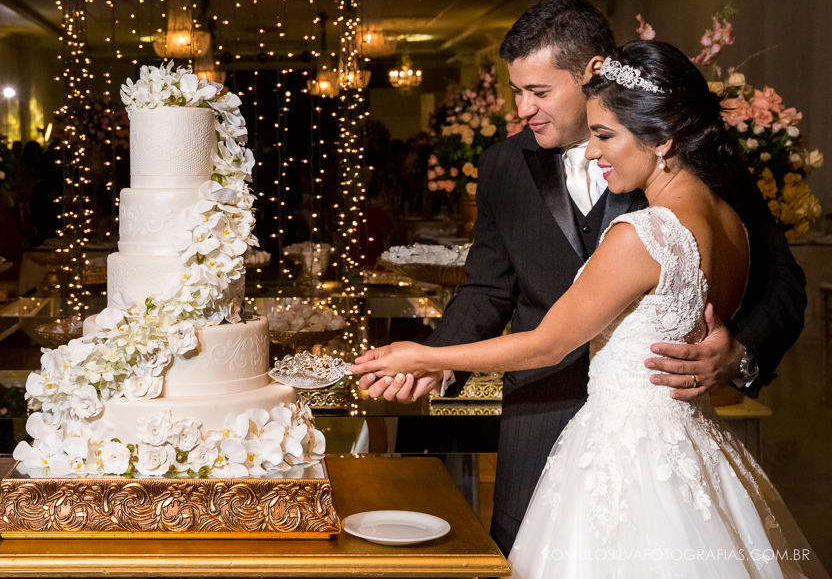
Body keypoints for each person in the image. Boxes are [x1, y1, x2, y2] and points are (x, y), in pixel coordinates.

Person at [351, 40, 825, 577]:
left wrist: (423, 357)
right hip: (680, 444)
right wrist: (442, 357)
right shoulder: (727, 223)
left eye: (605, 136)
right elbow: (490, 288)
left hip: (620, 454)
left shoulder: (644, 231)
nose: (594, 152)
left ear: (663, 137)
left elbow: (550, 341)